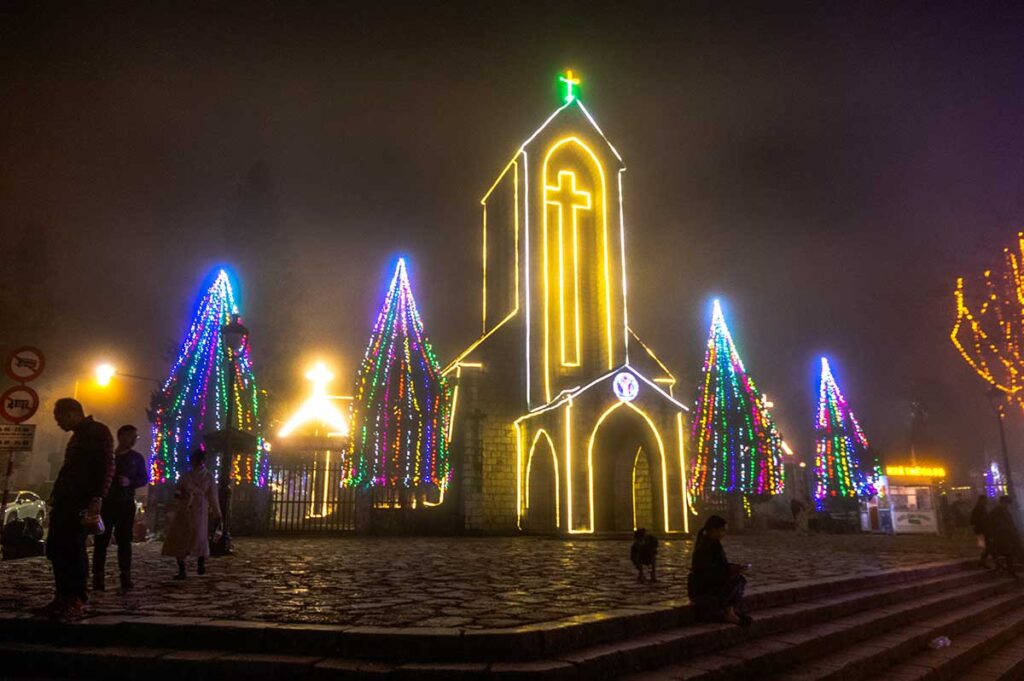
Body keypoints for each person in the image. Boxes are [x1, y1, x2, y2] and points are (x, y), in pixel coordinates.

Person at [43, 398, 114, 620]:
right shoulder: (79, 436)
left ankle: (76, 598)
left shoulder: (97, 432)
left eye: (59, 418)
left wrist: (97, 497)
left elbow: (106, 466)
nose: (58, 424)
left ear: (71, 413)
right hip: (65, 499)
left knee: (74, 548)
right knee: (57, 548)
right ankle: (62, 595)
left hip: (80, 500)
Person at [92, 425, 149, 592]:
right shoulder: (108, 457)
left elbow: (143, 478)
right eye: (131, 436)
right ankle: (98, 577)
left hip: (125, 503)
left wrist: (130, 482)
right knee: (101, 540)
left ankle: (125, 576)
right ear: (121, 436)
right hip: (107, 503)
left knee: (125, 541)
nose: (133, 440)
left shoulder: (136, 458)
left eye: (135, 437)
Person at [161, 447, 221, 579]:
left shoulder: (208, 477)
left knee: (197, 537)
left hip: (199, 509)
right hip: (186, 508)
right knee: (182, 537)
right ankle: (183, 568)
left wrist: (217, 512)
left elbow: (213, 495)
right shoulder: (186, 476)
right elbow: (178, 490)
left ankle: (200, 560)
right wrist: (180, 497)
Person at [687, 514, 751, 626]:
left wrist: (732, 568)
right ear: (713, 530)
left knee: (740, 579)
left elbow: (720, 565)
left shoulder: (714, 544)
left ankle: (730, 611)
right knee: (735, 581)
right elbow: (707, 571)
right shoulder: (705, 547)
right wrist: (728, 571)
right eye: (722, 531)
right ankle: (728, 612)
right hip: (703, 587)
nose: (724, 534)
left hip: (712, 580)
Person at [988, 496, 1023, 578]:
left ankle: (1008, 570)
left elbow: (1010, 523)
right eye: (1006, 503)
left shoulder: (1005, 511)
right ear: (1002, 502)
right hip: (1001, 536)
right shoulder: (996, 512)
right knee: (1007, 553)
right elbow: (994, 524)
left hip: (1008, 536)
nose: (1007, 505)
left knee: (1009, 553)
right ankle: (1007, 570)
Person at [970, 495, 994, 568]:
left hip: (983, 530)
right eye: (986, 500)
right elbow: (973, 521)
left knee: (988, 546)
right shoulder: (979, 509)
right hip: (982, 530)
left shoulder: (982, 509)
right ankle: (983, 561)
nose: (987, 501)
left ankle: (983, 561)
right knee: (988, 546)